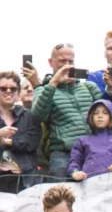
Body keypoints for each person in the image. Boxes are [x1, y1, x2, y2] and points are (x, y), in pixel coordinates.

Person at [27, 44, 101, 179]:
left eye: (70, 61)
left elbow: (107, 115)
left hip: (93, 151)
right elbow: (38, 115)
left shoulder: (89, 87)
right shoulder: (44, 89)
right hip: (63, 154)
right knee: (61, 195)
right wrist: (53, 83)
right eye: (62, 61)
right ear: (51, 62)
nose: (67, 65)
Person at [68, 100, 112, 181]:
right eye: (96, 113)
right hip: (88, 184)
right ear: (90, 117)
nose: (100, 116)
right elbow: (75, 161)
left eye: (105, 113)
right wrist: (75, 172)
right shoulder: (82, 141)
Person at [0, 70, 41, 193]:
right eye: (3, 88)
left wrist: (6, 141)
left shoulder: (29, 115)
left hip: (25, 180)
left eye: (13, 89)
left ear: (18, 93)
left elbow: (33, 140)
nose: (8, 91)